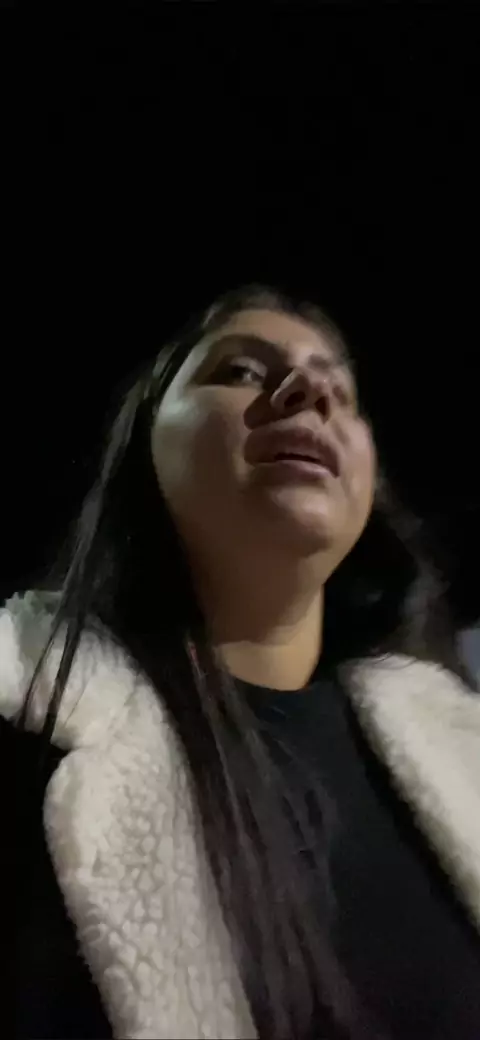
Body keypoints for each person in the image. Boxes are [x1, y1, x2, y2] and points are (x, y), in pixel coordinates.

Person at [2, 284, 480, 1040]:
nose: (311, 394)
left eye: (340, 391)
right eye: (242, 372)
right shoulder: (22, 711)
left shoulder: (461, 748)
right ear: (144, 443)